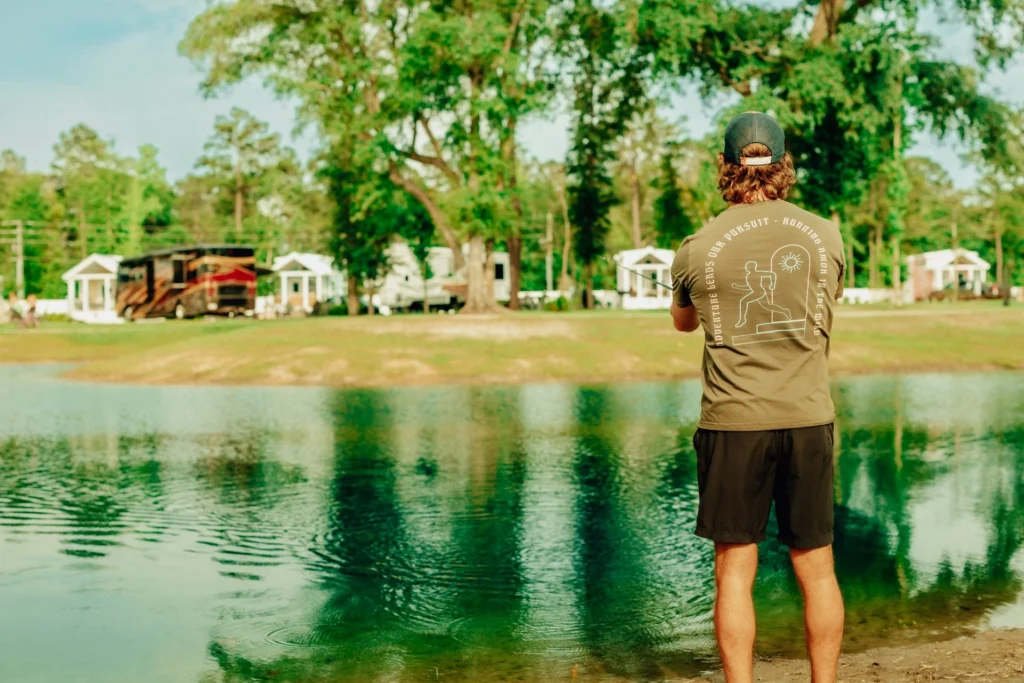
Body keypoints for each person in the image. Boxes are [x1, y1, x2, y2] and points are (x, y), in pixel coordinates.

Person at [670, 112, 846, 683]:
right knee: (817, 569)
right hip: (808, 419)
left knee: (734, 573)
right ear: (783, 165)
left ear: (724, 166)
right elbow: (827, 301)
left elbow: (683, 323)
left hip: (733, 425)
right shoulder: (826, 236)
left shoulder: (697, 246)